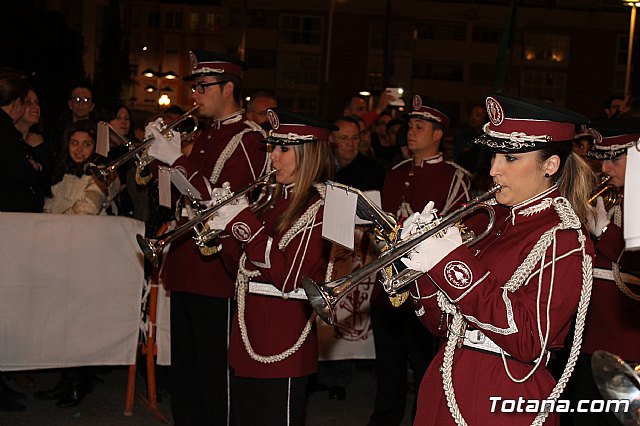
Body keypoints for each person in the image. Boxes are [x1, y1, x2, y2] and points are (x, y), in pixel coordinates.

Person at [401, 93, 595, 425]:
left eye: (509, 158)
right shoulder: (485, 220)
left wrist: (450, 263)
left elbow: (529, 341)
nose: (493, 170)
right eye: (494, 156)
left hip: (503, 392)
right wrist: (419, 264)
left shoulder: (564, 239)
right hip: (444, 380)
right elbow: (438, 323)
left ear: (551, 165)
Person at [145, 49, 268, 426]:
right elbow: (181, 196)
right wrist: (163, 162)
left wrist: (176, 160)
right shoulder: (203, 134)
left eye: (203, 86)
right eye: (195, 86)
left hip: (217, 271)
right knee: (186, 369)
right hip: (187, 263)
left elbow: (224, 201)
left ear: (228, 88)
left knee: (214, 372)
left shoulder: (250, 139)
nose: (195, 94)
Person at [204, 108, 334, 425]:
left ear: (308, 153)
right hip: (248, 331)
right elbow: (241, 269)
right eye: (272, 147)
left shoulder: (323, 205)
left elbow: (289, 277)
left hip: (284, 337)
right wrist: (222, 233)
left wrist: (243, 224)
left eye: (283, 148)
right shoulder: (270, 199)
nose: (272, 157)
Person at [367, 94, 471, 426]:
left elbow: (460, 237)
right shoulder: (395, 172)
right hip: (386, 292)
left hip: (425, 294)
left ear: (438, 133)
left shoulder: (456, 178)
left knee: (426, 372)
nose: (410, 132)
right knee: (388, 372)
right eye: (410, 126)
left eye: (419, 127)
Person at [565, 117, 640, 426]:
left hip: (628, 343)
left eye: (615, 158)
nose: (605, 168)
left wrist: (606, 230)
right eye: (604, 158)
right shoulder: (610, 196)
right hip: (588, 337)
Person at [43, 120, 108, 215]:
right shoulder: (62, 171)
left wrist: (56, 222)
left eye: (86, 144)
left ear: (95, 148)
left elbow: (89, 207)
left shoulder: (101, 174)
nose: (79, 149)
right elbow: (50, 205)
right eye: (74, 143)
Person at [15, 87, 55, 201]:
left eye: (37, 102)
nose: (36, 107)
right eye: (28, 102)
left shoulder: (42, 143)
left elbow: (48, 182)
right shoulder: (7, 141)